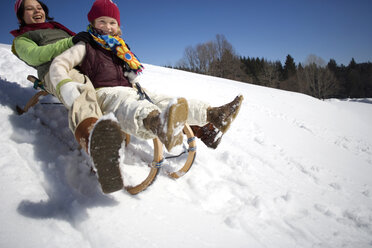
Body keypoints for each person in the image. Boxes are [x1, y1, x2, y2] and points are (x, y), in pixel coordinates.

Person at [49, 0, 244, 156]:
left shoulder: (119, 48)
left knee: (167, 101)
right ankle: (159, 124)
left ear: (118, 26)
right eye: (102, 21)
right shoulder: (85, 45)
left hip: (131, 89)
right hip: (105, 93)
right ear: (92, 23)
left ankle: (212, 115)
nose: (107, 27)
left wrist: (130, 76)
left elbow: (127, 74)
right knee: (130, 105)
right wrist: (65, 86)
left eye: (112, 22)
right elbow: (59, 64)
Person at [10, 0, 127, 194]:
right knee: (81, 90)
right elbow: (36, 55)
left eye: (39, 7)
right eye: (29, 9)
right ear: (21, 16)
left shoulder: (59, 29)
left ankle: (147, 119)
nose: (36, 11)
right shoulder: (22, 39)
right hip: (57, 72)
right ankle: (95, 141)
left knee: (116, 85)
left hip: (86, 66)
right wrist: (71, 41)